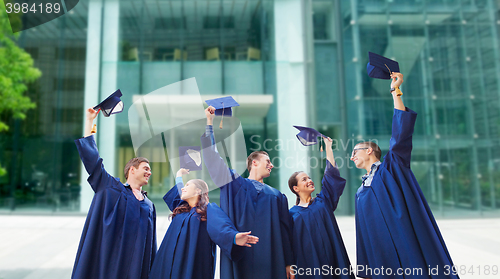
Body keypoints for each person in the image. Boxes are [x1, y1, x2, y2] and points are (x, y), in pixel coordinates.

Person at [352, 73, 459, 279]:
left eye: (355, 151)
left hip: (406, 246)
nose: (351, 157)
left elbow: (400, 135)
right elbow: (362, 234)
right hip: (382, 258)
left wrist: (395, 91)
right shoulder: (360, 191)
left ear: (369, 151)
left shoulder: (392, 169)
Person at [201, 106, 295, 279]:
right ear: (253, 163)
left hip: (271, 260)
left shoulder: (277, 196)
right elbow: (212, 158)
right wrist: (209, 122)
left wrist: (289, 263)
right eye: (267, 161)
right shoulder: (233, 184)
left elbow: (284, 231)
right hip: (241, 256)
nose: (271, 165)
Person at [72, 108, 156, 279]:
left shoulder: (149, 206)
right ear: (132, 170)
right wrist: (89, 121)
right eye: (146, 168)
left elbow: (151, 246)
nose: (150, 172)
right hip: (108, 267)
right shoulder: (111, 188)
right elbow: (92, 160)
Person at [149, 168, 259, 279]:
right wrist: (178, 175)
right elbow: (178, 190)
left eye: (187, 185)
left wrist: (234, 237)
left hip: (191, 265)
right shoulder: (181, 209)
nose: (183, 188)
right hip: (167, 264)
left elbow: (221, 226)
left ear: (198, 191)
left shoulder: (207, 210)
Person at [288, 136, 354, 279]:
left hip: (334, 258)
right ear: (296, 188)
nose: (310, 181)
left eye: (309, 178)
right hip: (310, 266)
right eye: (304, 179)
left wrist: (328, 148)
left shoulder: (323, 201)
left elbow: (331, 176)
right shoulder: (291, 215)